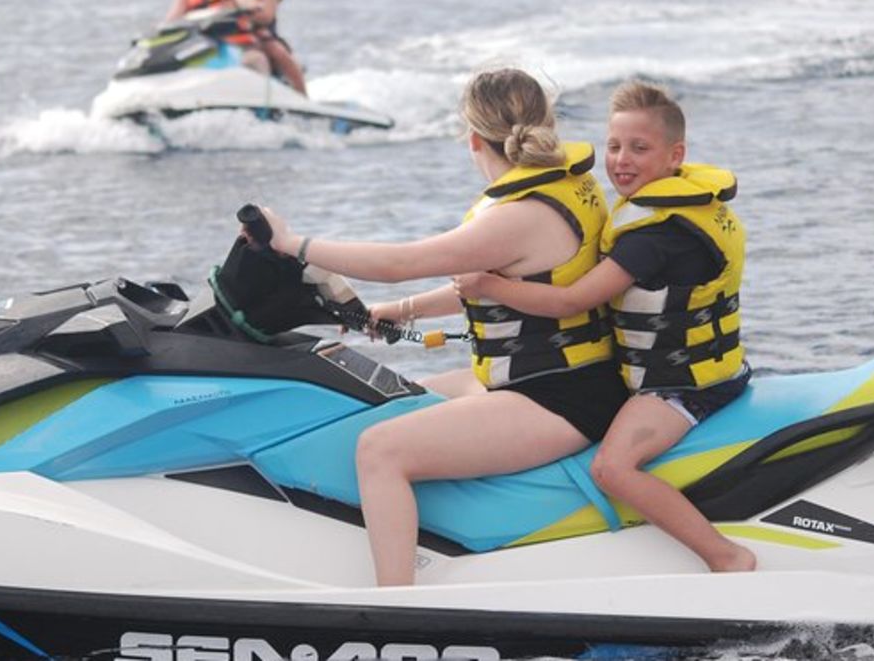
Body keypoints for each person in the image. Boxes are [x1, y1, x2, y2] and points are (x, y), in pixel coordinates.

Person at [255, 68, 629, 585]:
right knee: (384, 401)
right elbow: (488, 284)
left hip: (561, 399)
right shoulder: (570, 184)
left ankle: (395, 608)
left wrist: (292, 245)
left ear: (473, 139)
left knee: (380, 449)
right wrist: (402, 310)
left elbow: (402, 261)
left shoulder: (517, 215)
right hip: (547, 378)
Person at [453, 80, 757, 574]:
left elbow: (571, 299)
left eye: (640, 148)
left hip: (684, 389)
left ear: (675, 155)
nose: (621, 160)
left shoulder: (654, 237)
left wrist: (490, 285)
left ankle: (727, 557)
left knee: (611, 468)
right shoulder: (656, 214)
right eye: (614, 146)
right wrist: (403, 310)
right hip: (706, 370)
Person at [224, 0, 307, 94]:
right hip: (235, 40)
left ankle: (302, 93)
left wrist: (243, 15)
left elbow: (267, 16)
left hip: (265, 38)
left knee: (275, 50)